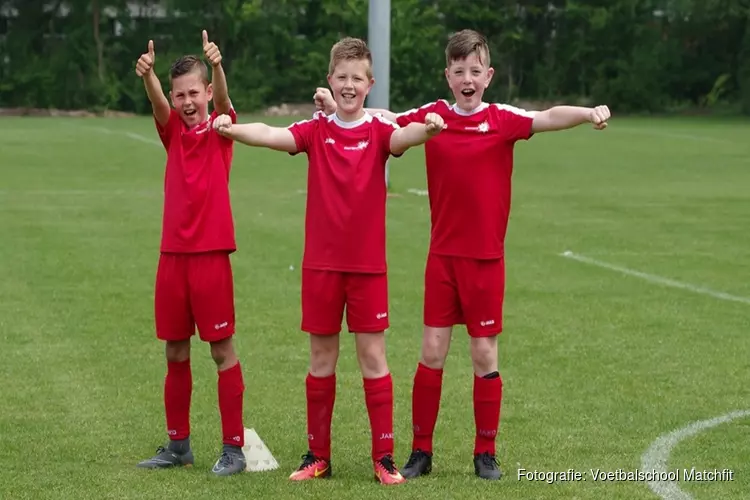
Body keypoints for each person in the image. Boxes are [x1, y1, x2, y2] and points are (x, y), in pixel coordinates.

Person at [315, 28, 611, 481]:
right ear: (447, 76)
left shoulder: (502, 118)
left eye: (475, 70)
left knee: (483, 355)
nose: (467, 78)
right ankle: (420, 452)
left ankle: (485, 452)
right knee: (431, 351)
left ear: (488, 76)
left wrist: (589, 112)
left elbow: (547, 116)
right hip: (443, 259)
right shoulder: (433, 116)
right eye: (458, 71)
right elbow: (383, 117)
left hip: (486, 261)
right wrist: (338, 107)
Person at [212, 37, 445, 485]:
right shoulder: (317, 129)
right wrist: (232, 129)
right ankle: (317, 455)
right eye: (343, 77)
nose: (350, 85)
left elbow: (403, 136)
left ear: (370, 84)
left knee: (373, 359)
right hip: (321, 267)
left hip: (367, 268)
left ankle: (384, 458)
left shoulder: (377, 131)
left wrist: (428, 129)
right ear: (331, 80)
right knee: (321, 359)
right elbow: (273, 134)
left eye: (358, 78)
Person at [134, 31, 247, 476]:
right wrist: (149, 77)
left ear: (205, 94)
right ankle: (179, 444)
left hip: (210, 257)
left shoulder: (221, 128)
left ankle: (233, 448)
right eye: (179, 93)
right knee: (174, 352)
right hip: (172, 258)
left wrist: (217, 66)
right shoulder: (173, 134)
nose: (186, 101)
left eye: (193, 93)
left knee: (222, 351)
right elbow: (159, 105)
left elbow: (222, 100)